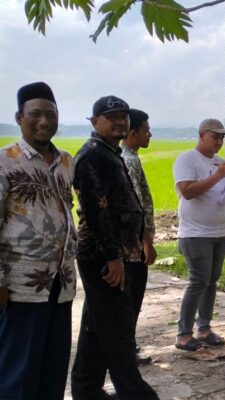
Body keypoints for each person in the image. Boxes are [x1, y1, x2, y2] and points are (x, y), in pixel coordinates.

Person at [71, 95, 159, 400]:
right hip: (104, 256)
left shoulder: (110, 152)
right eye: (112, 117)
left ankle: (86, 389)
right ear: (95, 122)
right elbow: (96, 211)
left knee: (97, 325)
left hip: (115, 253)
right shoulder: (93, 155)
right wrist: (114, 258)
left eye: (123, 116)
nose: (120, 121)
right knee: (118, 329)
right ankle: (135, 393)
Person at [0, 82, 77, 400]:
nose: (44, 121)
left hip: (62, 284)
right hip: (19, 286)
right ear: (19, 117)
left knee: (53, 368)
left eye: (50, 113)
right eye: (35, 114)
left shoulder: (66, 161)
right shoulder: (6, 160)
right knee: (17, 373)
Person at [173, 118, 225, 351]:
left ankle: (205, 328)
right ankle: (184, 333)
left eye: (222, 138)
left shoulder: (221, 164)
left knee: (211, 282)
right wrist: (219, 176)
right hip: (195, 234)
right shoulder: (187, 159)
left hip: (219, 233)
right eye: (215, 136)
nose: (219, 141)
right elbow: (187, 192)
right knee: (198, 281)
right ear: (201, 136)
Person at [121, 108, 157, 365]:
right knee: (131, 301)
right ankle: (126, 350)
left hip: (133, 243)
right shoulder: (129, 161)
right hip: (133, 246)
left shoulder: (128, 157)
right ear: (132, 133)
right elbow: (135, 207)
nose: (150, 134)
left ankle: (126, 347)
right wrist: (146, 242)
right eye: (145, 130)